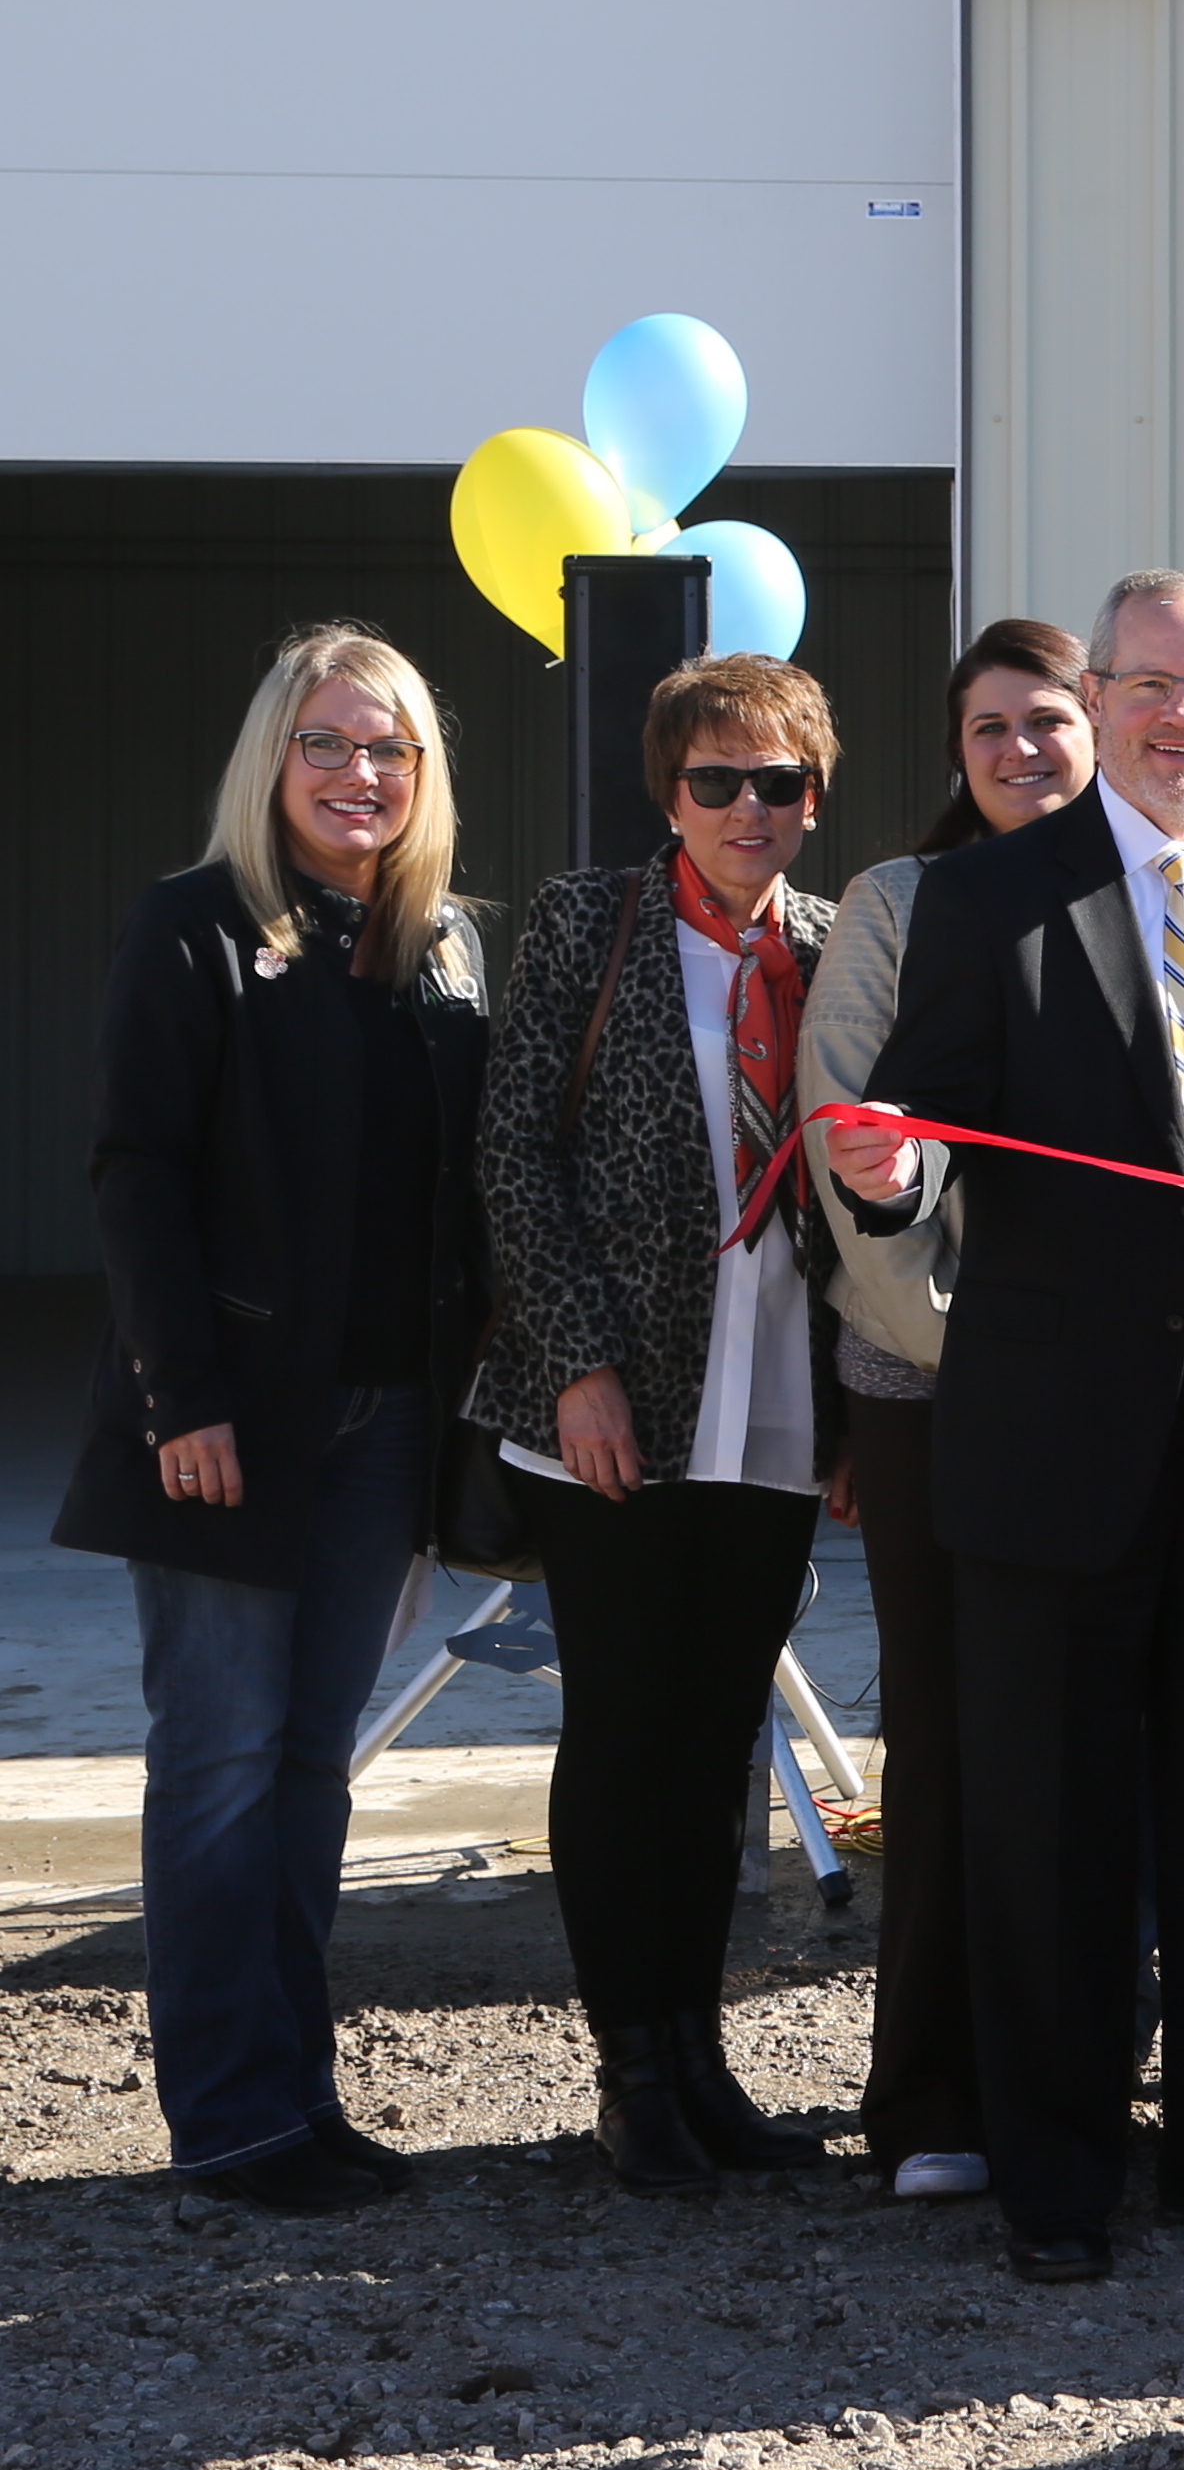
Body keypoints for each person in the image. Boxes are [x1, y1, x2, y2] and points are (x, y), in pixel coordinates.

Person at [819, 573, 1184, 2285]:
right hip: (1055, 1428)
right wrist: (891, 1170)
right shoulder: (988, 894)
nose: (1183, 718)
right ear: (1098, 692)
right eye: (1148, 685)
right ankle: (1057, 2176)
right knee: (1053, 1817)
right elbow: (917, 1129)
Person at [62, 624, 490, 2215]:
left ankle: (298, 2093)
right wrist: (184, 1397)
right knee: (225, 1762)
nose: (359, 772)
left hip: (385, 1426)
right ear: (272, 758)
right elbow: (138, 1176)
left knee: (315, 1766)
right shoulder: (193, 928)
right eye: (327, 741)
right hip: (230, 1418)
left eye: (389, 747)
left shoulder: (441, 947)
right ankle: (232, 2116)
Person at [470, 654, 849, 2200]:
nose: (749, 809)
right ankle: (631, 2072)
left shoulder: (833, 947)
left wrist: (854, 1400)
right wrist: (574, 1364)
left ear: (814, 799)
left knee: (718, 1738)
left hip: (774, 1392)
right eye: (719, 780)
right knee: (626, 1731)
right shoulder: (581, 922)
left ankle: (702, 2057)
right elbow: (513, 1157)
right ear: (667, 789)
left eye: (781, 784)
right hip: (616, 1395)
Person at [801, 616, 1094, 2206]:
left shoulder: (1153, 894)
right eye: (989, 724)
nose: (1020, 748)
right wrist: (983, 1350)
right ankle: (928, 2094)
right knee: (953, 1731)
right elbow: (854, 1160)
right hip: (932, 1386)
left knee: (1085, 1741)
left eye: (1048, 718)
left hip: (1115, 1393)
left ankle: (1076, 2076)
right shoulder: (893, 906)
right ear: (954, 745)